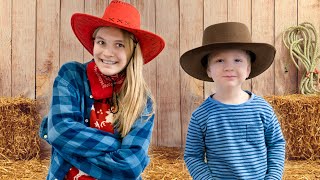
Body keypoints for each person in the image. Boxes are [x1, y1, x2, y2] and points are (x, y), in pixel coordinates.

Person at [39, 0, 165, 179]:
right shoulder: (72, 76)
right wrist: (118, 145)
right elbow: (60, 131)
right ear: (93, 43)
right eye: (101, 42)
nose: (107, 52)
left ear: (132, 51)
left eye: (119, 45)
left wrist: (64, 145)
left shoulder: (142, 99)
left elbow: (131, 166)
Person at [180, 22, 285, 179]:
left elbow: (276, 144)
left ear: (248, 69)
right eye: (220, 60)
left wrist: (273, 177)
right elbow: (193, 156)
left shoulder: (262, 109)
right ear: (208, 70)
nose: (229, 67)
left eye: (237, 60)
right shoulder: (201, 116)